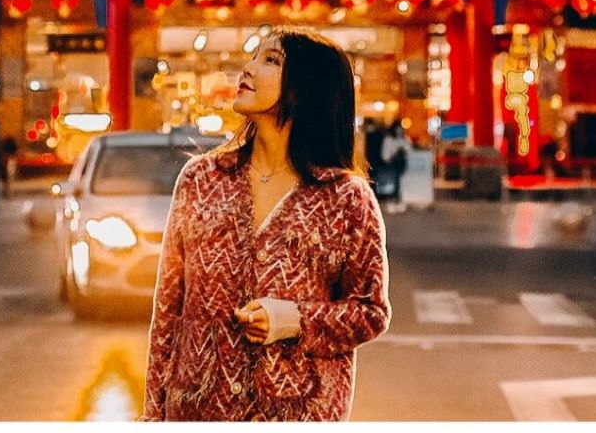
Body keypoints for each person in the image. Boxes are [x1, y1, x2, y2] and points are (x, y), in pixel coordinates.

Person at [144, 25, 391, 422]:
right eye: (254, 56)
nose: (248, 68)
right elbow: (168, 312)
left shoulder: (346, 199)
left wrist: (294, 319)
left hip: (299, 413)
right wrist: (153, 417)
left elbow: (370, 312)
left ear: (307, 87)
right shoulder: (201, 180)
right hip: (198, 411)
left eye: (270, 61)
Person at [379, 120, 411, 214]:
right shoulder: (389, 139)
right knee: (394, 184)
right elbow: (385, 154)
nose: (399, 131)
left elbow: (408, 149)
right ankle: (393, 201)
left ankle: (397, 201)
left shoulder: (403, 139)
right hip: (391, 165)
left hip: (400, 164)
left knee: (398, 183)